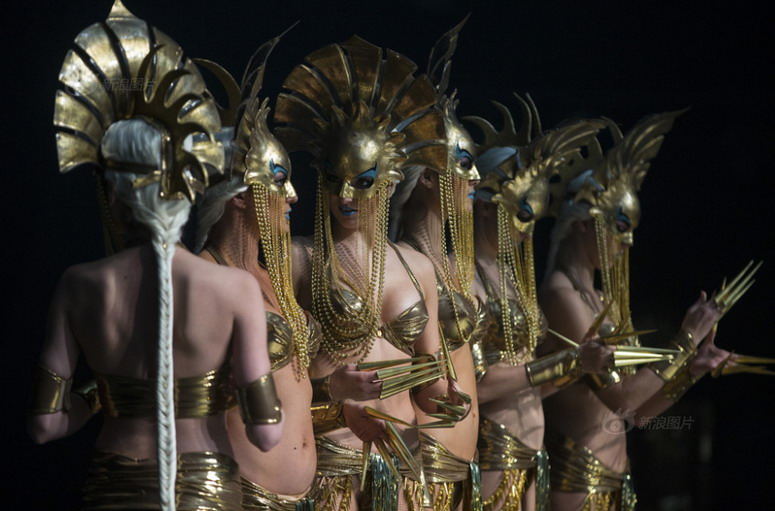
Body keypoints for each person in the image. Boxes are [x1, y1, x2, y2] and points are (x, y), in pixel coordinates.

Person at [29, 2, 282, 509]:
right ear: (186, 187)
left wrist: (102, 394)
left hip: (111, 489)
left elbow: (45, 425)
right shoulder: (234, 289)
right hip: (206, 492)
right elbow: (266, 436)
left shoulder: (79, 286)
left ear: (116, 195)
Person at [275, 36, 467, 510]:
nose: (345, 195)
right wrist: (330, 391)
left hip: (405, 466)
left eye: (361, 182)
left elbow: (430, 385)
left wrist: (446, 394)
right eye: (333, 179)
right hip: (332, 463)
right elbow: (277, 384)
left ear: (389, 180)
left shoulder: (415, 265)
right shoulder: (297, 259)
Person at [538, 112, 733, 510]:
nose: (626, 243)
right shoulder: (561, 295)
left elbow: (638, 416)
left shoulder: (592, 297)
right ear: (584, 222)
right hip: (577, 479)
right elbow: (622, 401)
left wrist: (689, 371)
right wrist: (685, 340)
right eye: (619, 226)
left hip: (613, 478)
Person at [465, 98, 612, 511]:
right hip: (493, 452)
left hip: (531, 457)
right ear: (487, 202)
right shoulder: (465, 279)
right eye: (522, 215)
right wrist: (563, 364)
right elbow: (475, 384)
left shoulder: (510, 279)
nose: (529, 233)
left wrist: (577, 366)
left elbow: (533, 382)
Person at [194, 36, 320, 510]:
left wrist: (339, 402)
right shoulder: (205, 278)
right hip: (243, 495)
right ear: (241, 195)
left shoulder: (273, 277)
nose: (292, 197)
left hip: (305, 495)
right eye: (280, 181)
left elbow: (289, 398)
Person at [388, 18, 484, 510]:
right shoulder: (403, 264)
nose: (477, 177)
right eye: (464, 163)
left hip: (465, 474)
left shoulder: (455, 266)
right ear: (427, 177)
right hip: (421, 470)